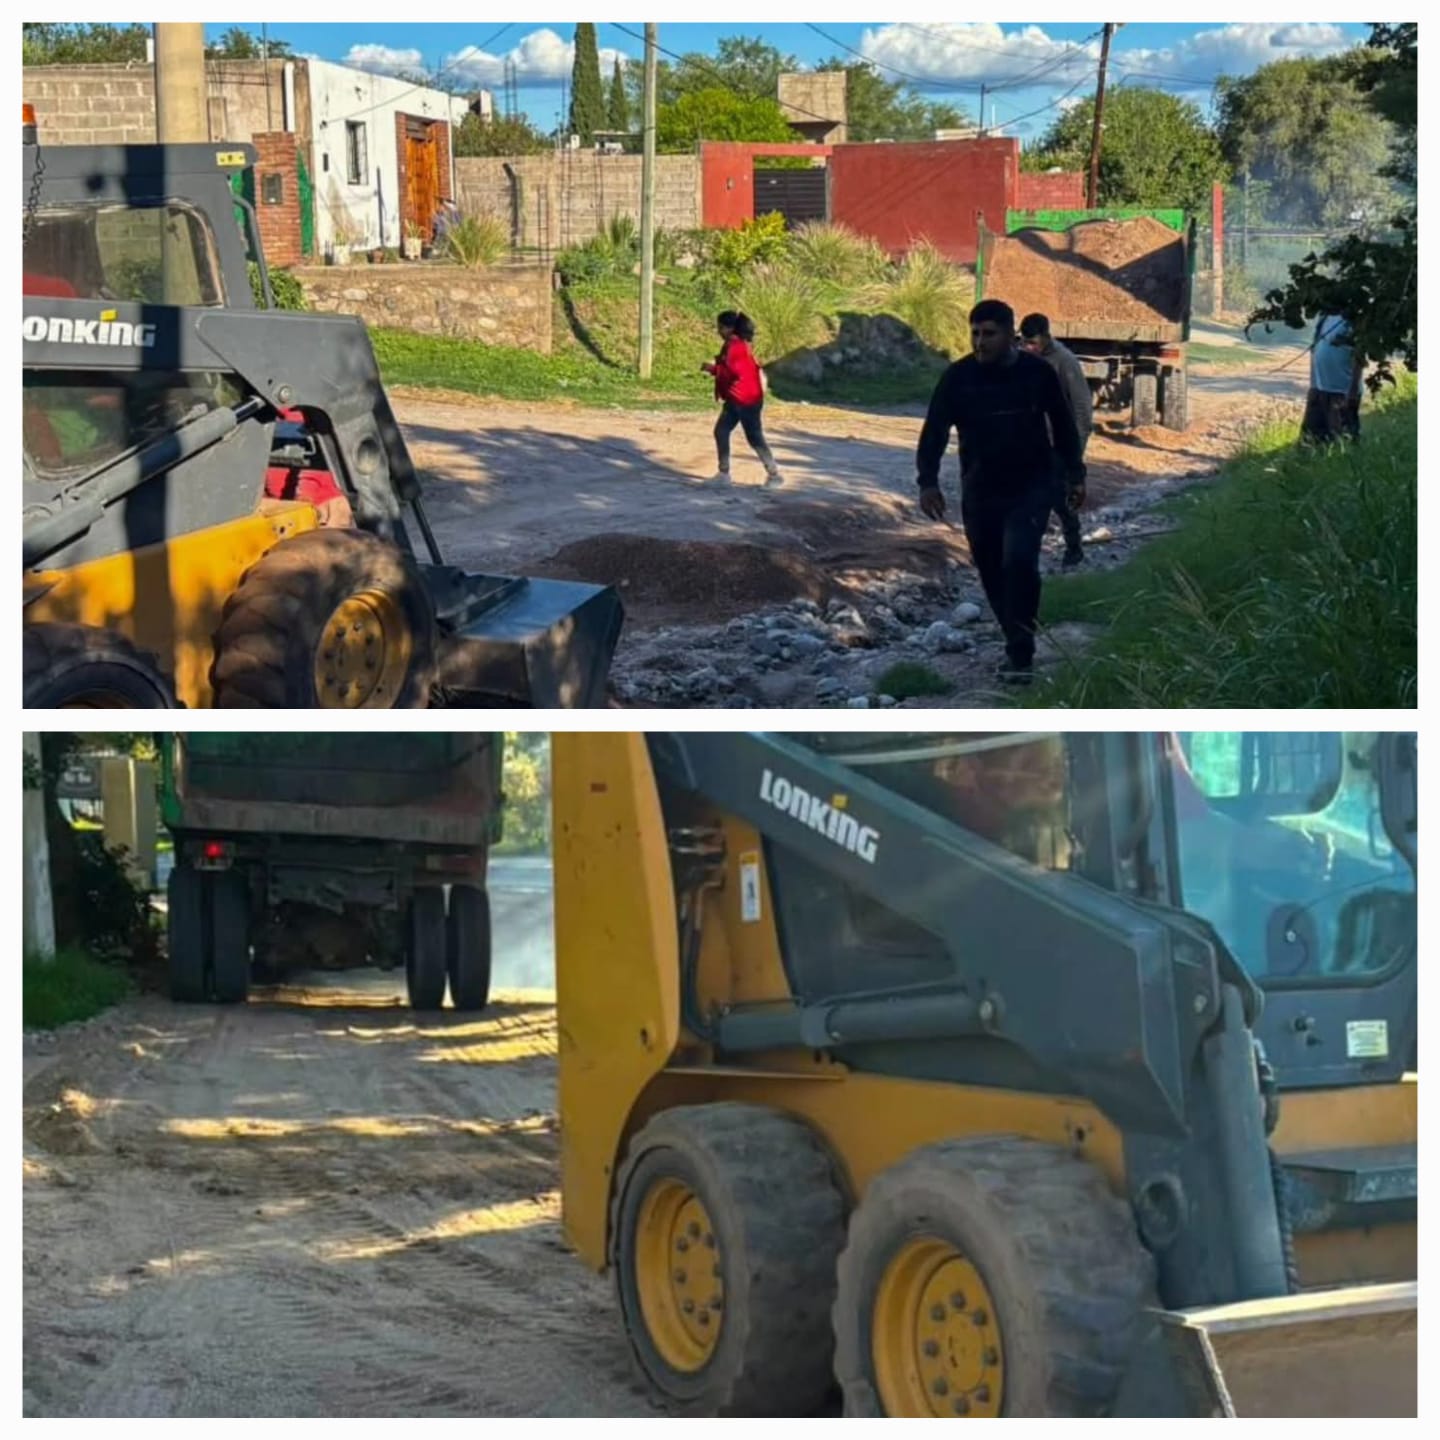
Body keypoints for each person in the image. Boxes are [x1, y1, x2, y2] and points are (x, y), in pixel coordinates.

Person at [916, 299, 1085, 685]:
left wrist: (1075, 475)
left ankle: (1021, 653)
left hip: (1031, 487)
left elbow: (1063, 426)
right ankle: (1014, 638)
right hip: (981, 491)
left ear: (1011, 335)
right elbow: (934, 431)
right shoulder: (958, 378)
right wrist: (928, 482)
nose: (980, 342)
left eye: (989, 334)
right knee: (991, 570)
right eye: (975, 333)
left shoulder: (1037, 374)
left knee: (1020, 561)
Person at [1020, 312, 1093, 567]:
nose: (1029, 348)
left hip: (1058, 445)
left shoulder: (1064, 361)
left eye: (1033, 343)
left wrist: (1076, 452)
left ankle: (1073, 547)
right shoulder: (1021, 359)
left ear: (1046, 338)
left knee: (1060, 500)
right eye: (1025, 342)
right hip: (1029, 443)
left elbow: (1082, 409)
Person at [701, 310, 782, 487]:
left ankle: (774, 475)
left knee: (754, 437)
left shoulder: (736, 346)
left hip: (746, 399)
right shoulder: (735, 344)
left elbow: (734, 372)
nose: (718, 331)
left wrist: (712, 369)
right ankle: (723, 474)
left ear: (729, 328)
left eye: (720, 327)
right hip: (737, 397)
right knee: (721, 431)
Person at [1301, 312, 1363, 445]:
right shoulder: (1324, 317)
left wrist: (1353, 391)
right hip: (1320, 390)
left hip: (1342, 391)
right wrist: (1313, 387)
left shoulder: (1352, 318)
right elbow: (1315, 350)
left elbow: (1359, 356)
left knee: (1343, 439)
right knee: (1312, 439)